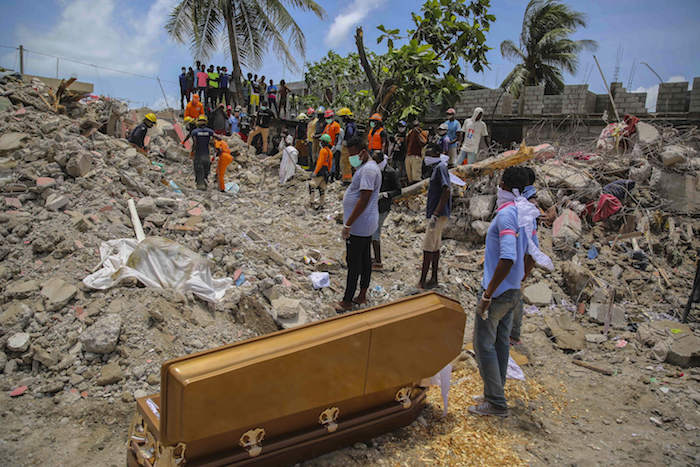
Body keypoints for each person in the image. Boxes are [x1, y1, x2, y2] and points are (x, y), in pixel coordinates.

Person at [469, 167, 532, 418]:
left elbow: (507, 257)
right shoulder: (524, 213)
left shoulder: (507, 215)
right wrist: (519, 279)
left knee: (483, 344)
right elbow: (531, 255)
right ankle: (495, 392)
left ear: (504, 185)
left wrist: (488, 294)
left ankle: (495, 402)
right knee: (500, 343)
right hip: (512, 291)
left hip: (497, 293)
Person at [335, 136, 382, 313]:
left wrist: (348, 224)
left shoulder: (369, 170)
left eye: (353, 154)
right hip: (364, 223)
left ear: (363, 152)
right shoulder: (366, 168)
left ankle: (347, 300)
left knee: (354, 262)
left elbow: (364, 199)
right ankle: (362, 294)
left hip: (360, 225)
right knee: (364, 260)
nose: (351, 157)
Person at [418, 145, 451, 289]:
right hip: (438, 213)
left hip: (437, 214)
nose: (426, 156)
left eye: (429, 152)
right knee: (435, 246)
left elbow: (447, 189)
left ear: (436, 153)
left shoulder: (440, 168)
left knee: (428, 247)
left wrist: (436, 214)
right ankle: (434, 279)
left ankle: (422, 281)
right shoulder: (437, 168)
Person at [371, 152, 401, 271]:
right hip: (373, 205)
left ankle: (378, 262)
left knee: (375, 232)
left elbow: (398, 190)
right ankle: (375, 258)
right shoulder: (375, 170)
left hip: (383, 206)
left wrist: (386, 194)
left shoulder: (390, 172)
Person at [182, 115, 220, 190]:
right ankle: (205, 184)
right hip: (206, 155)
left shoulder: (195, 132)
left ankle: (200, 186)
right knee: (206, 170)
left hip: (198, 155)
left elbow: (195, 143)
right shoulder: (210, 131)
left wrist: (192, 152)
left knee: (199, 170)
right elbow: (218, 138)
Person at [309, 133, 333, 208]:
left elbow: (320, 162)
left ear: (323, 142)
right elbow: (330, 164)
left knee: (311, 185)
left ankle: (311, 202)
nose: (320, 143)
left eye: (321, 141)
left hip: (321, 170)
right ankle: (321, 204)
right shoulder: (330, 151)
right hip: (326, 171)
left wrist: (315, 172)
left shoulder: (323, 151)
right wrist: (328, 171)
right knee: (321, 189)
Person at [337, 107, 357, 184]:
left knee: (345, 163)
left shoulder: (349, 126)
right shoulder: (353, 124)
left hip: (348, 146)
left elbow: (350, 133)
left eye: (342, 117)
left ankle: (347, 180)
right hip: (352, 146)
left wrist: (346, 142)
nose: (342, 119)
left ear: (346, 117)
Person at [322, 109, 341, 181]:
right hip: (327, 146)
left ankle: (332, 176)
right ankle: (327, 175)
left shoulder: (336, 125)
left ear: (332, 117)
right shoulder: (327, 126)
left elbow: (337, 136)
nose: (327, 119)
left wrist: (334, 146)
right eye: (326, 118)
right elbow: (324, 134)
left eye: (329, 118)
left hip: (332, 146)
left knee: (333, 162)